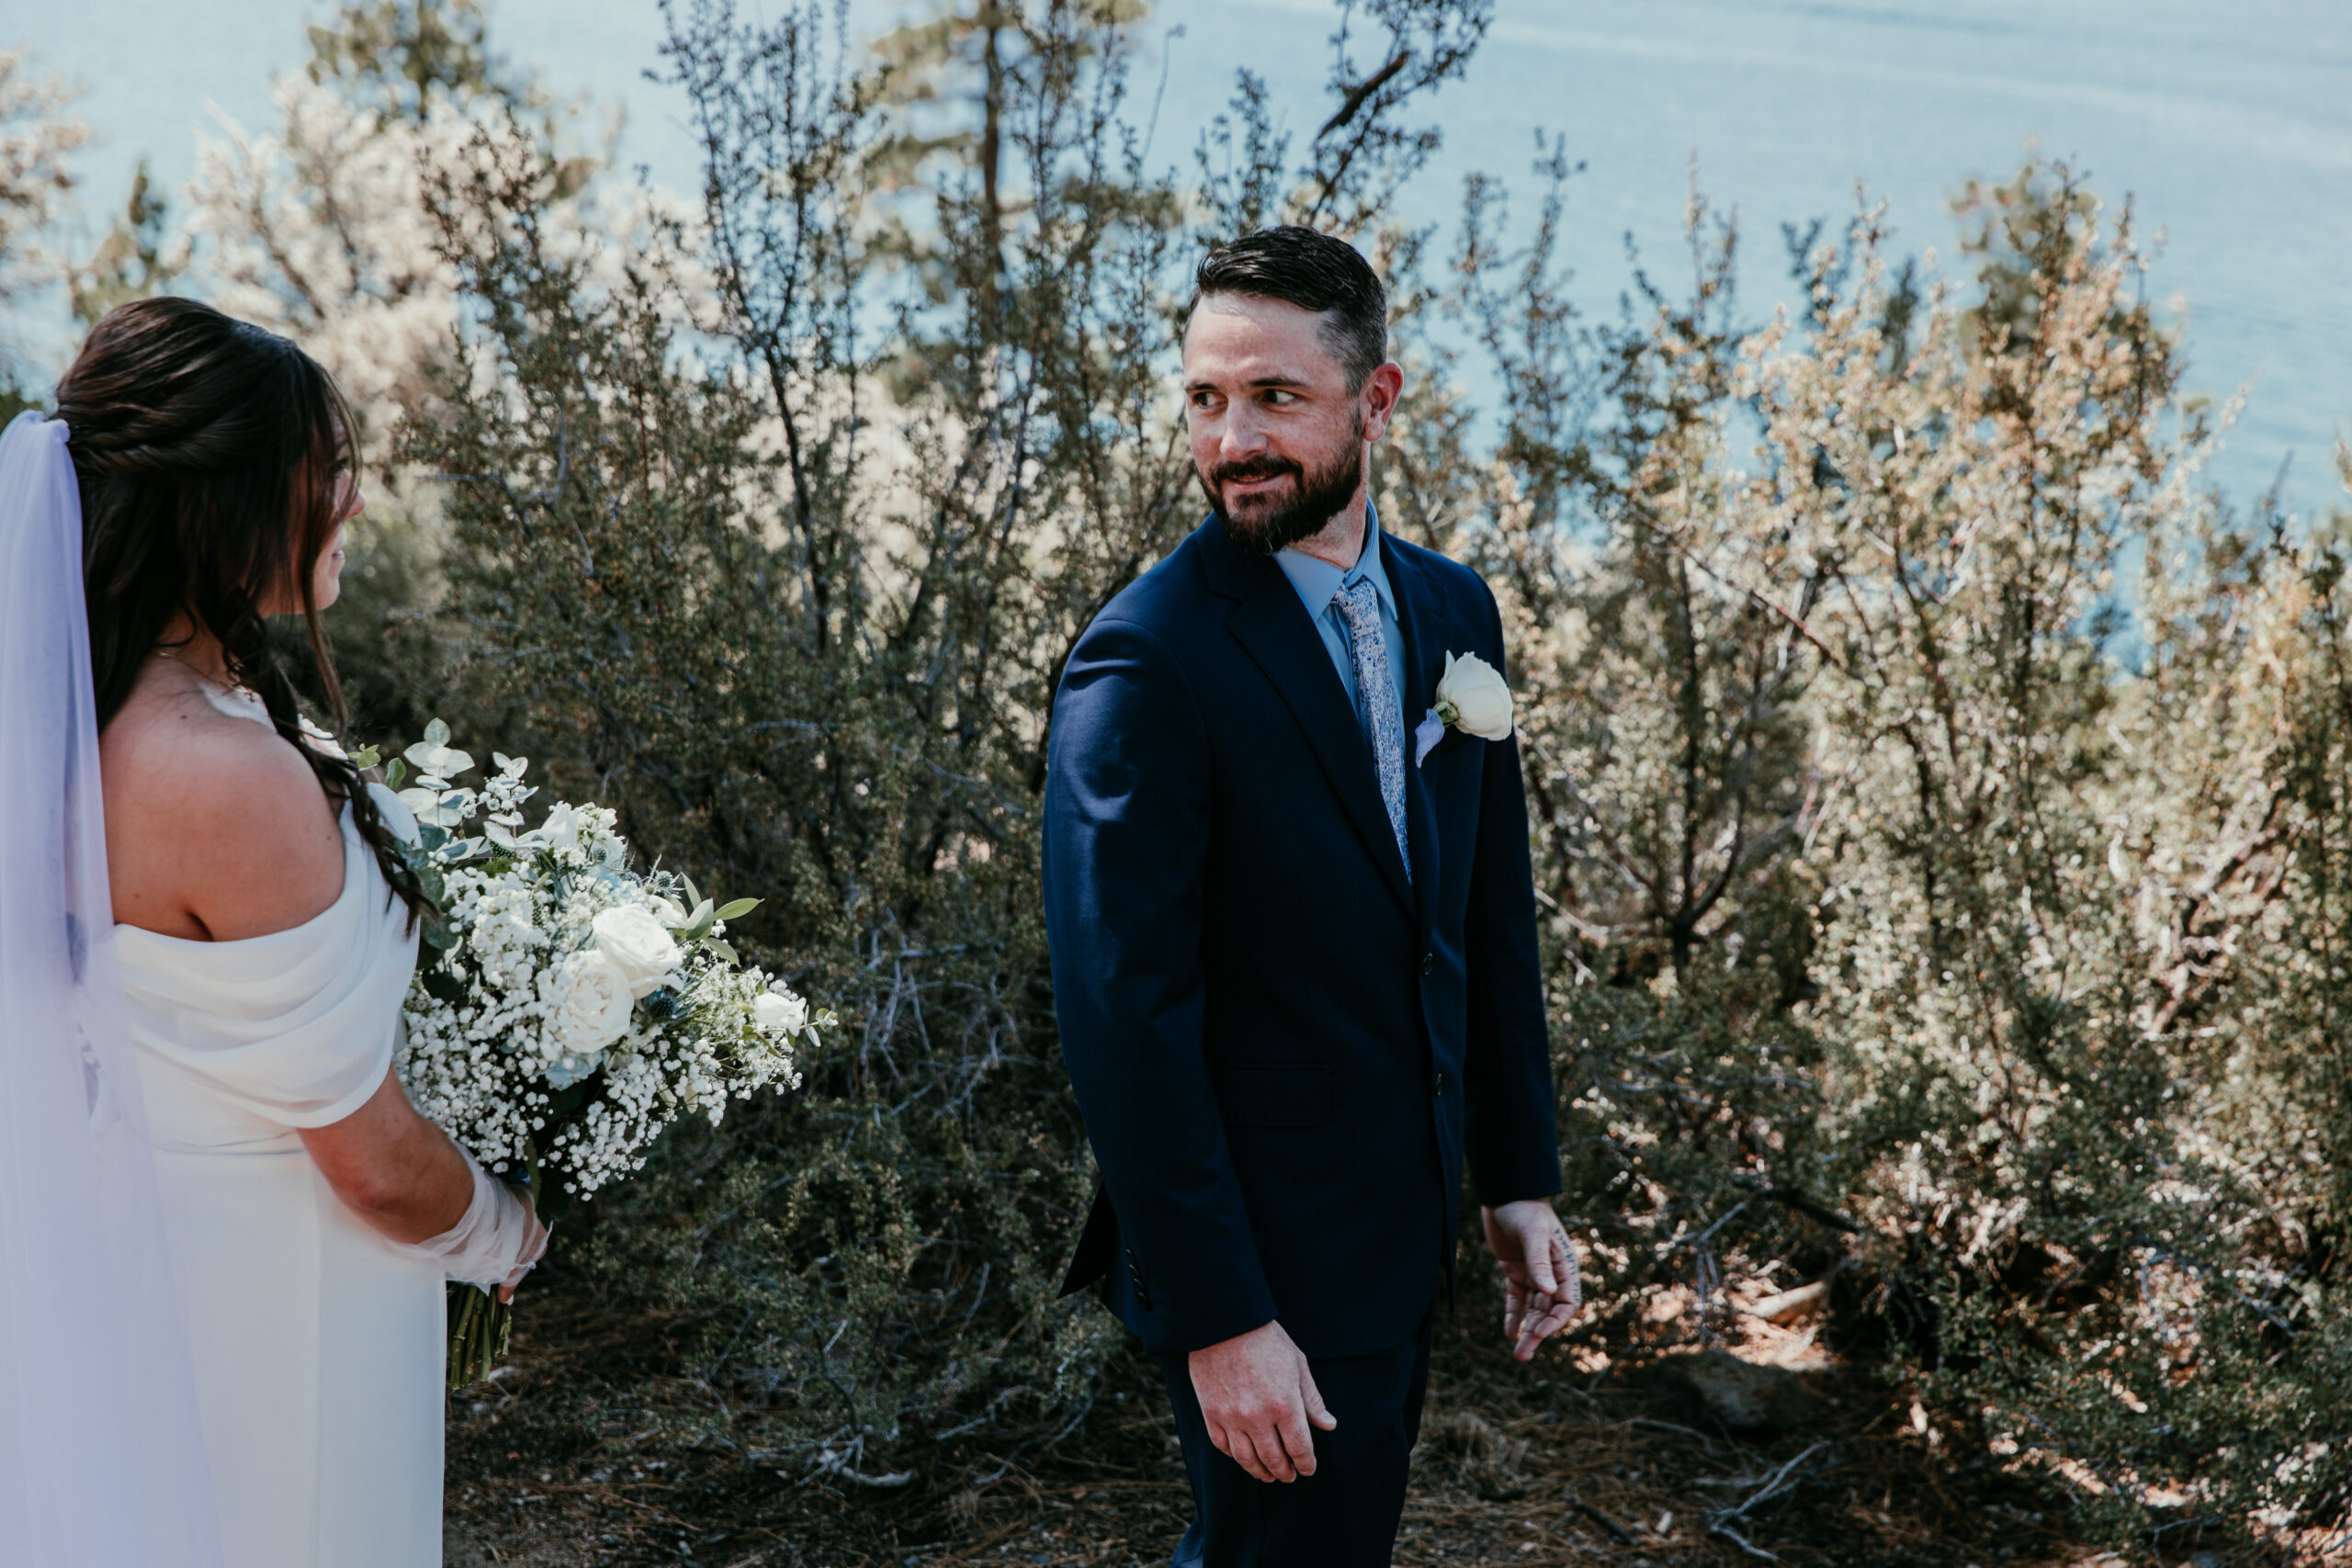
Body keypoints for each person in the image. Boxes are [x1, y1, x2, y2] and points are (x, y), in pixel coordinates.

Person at [1044, 226, 1580, 1566]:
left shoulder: (1454, 611)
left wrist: (1515, 1174)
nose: (1233, 440)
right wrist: (1224, 1321)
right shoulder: (1145, 666)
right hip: (1263, 1258)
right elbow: (1127, 1025)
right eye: (1206, 400)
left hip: (1403, 1226)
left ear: (1376, 399)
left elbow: (1484, 915)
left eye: (1275, 398)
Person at [0, 296, 545, 1566]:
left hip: (153, 1264)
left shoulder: (116, 727)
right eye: (325, 470)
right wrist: (508, 1226)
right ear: (224, 502)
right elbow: (366, 1157)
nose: (355, 500)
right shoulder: (214, 772)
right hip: (273, 1286)